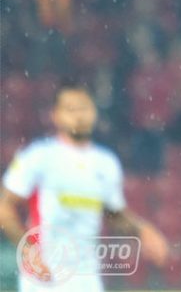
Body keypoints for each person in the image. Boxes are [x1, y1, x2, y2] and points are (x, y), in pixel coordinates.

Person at [0, 83, 169, 292]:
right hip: (44, 277)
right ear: (55, 115)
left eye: (84, 108)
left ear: (94, 112)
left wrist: (143, 230)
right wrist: (28, 251)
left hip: (88, 278)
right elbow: (4, 208)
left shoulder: (106, 163)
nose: (79, 115)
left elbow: (113, 214)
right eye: (71, 109)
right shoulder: (38, 157)